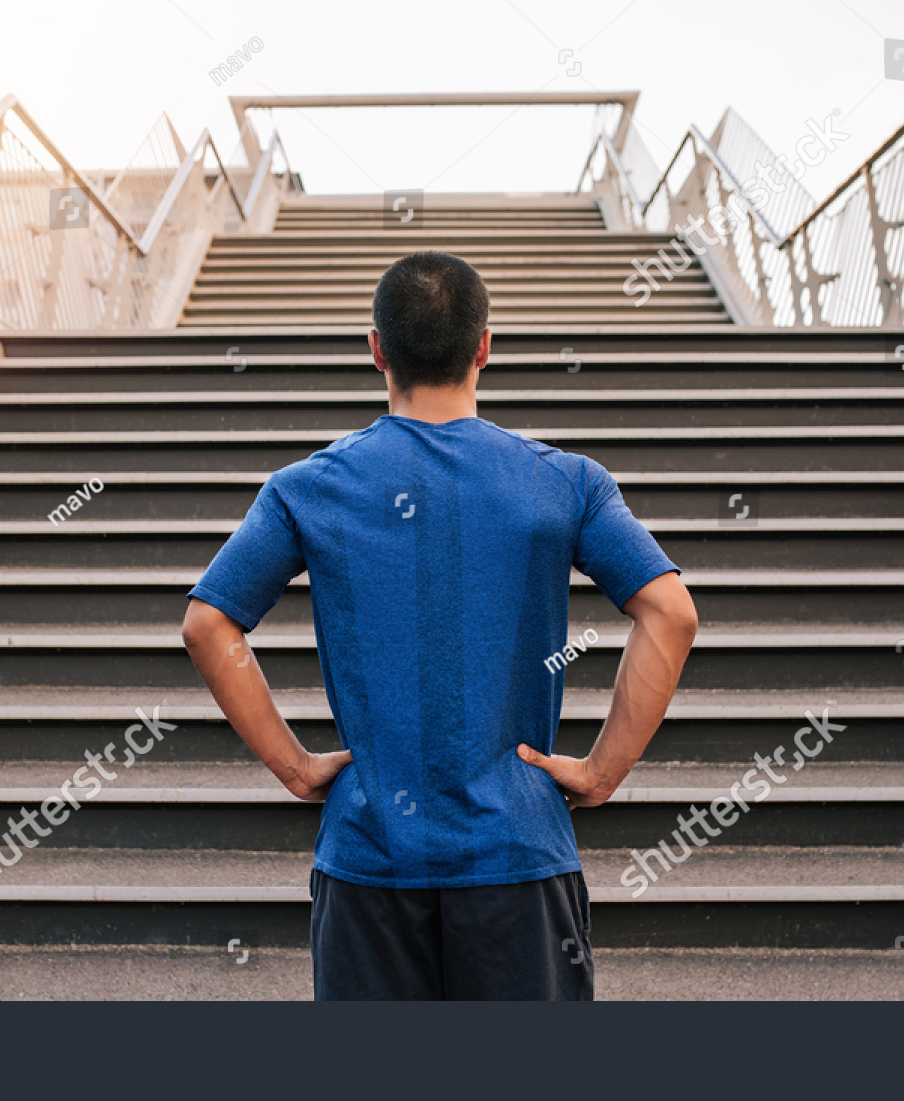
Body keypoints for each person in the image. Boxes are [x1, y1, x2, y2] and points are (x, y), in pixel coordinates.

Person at [182, 250, 698, 1000]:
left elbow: (207, 624)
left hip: (370, 858)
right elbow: (672, 613)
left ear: (377, 350)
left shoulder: (308, 487)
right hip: (519, 856)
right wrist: (602, 770)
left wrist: (295, 767)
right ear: (484, 346)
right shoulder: (564, 481)